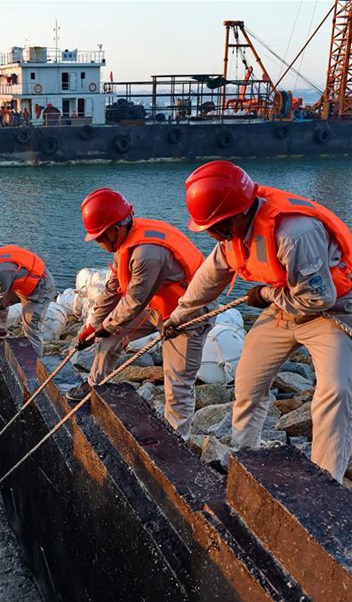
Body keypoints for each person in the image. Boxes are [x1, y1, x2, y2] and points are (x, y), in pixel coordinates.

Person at [163, 160, 352, 482]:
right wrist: (179, 316)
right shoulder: (231, 234)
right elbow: (209, 279)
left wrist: (265, 294)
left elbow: (319, 299)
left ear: (235, 216)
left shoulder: (295, 233)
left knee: (335, 391)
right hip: (283, 308)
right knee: (248, 380)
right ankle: (244, 457)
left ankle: (326, 481)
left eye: (213, 228)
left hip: (330, 312)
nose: (210, 234)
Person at [65, 188, 208, 441]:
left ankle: (176, 442)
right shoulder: (125, 241)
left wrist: (107, 326)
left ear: (114, 230)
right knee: (108, 336)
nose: (98, 243)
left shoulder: (147, 254)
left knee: (178, 385)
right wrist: (93, 326)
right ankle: (94, 386)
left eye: (99, 237)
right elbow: (113, 289)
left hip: (187, 315)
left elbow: (134, 301)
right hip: (157, 305)